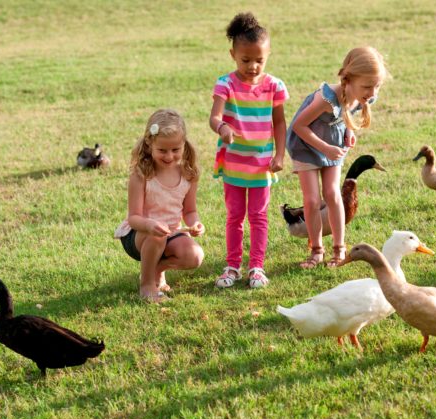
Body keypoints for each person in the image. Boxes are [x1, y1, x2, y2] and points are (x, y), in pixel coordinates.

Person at [287, 46, 388, 268]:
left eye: (377, 86)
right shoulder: (326, 99)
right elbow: (299, 125)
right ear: (348, 80)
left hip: (332, 143)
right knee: (312, 200)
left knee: (333, 194)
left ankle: (339, 249)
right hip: (307, 144)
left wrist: (349, 132)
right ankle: (316, 250)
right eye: (368, 86)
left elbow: (348, 114)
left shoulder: (364, 96)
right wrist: (325, 148)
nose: (372, 93)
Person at [209, 12, 288, 289]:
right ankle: (232, 265)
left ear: (268, 55)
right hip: (233, 163)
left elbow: (279, 122)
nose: (253, 66)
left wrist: (279, 155)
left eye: (259, 60)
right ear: (233, 54)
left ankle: (256, 266)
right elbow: (214, 118)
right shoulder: (226, 84)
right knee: (234, 216)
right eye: (246, 60)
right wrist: (223, 129)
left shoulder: (274, 86)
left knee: (258, 216)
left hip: (261, 164)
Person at [115, 109, 205, 303]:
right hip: (138, 235)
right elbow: (134, 218)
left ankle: (156, 269)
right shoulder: (141, 175)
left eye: (176, 150)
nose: (169, 156)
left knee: (194, 256)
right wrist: (150, 225)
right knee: (157, 237)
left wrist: (196, 223)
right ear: (149, 145)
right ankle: (147, 285)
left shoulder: (188, 174)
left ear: (184, 145)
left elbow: (190, 211)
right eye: (162, 150)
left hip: (170, 233)